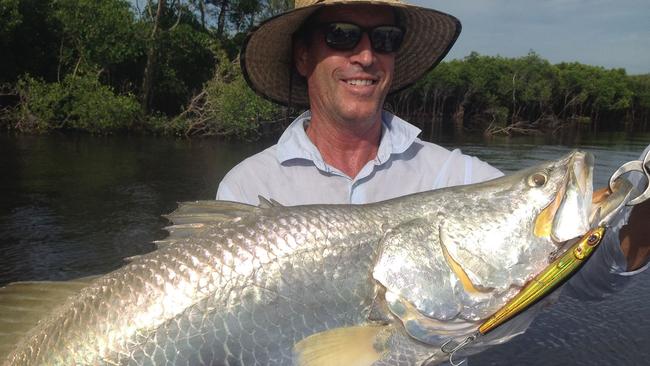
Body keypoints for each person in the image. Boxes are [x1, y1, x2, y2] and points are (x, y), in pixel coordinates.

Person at [217, 0, 649, 357]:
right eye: (341, 35)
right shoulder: (245, 186)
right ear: (303, 54)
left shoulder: (456, 174)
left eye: (385, 40)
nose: (366, 56)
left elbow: (596, 274)